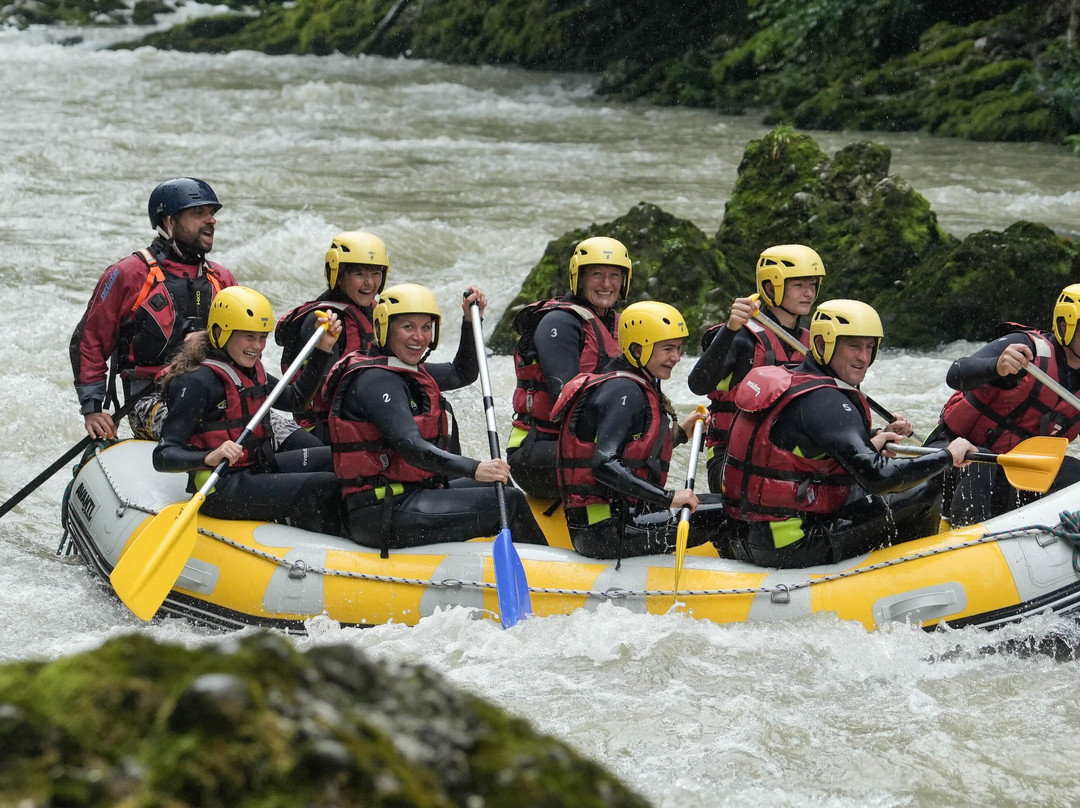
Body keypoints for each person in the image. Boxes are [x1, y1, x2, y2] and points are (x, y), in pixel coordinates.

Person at [720, 299, 975, 569]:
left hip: (743, 538)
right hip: (793, 548)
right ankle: (915, 573)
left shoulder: (787, 380)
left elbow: (805, 453)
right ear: (822, 344)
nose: (863, 357)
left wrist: (871, 443)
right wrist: (948, 455)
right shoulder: (827, 401)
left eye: (869, 347)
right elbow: (880, 477)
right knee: (925, 490)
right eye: (854, 346)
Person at [324, 283, 547, 555]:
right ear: (384, 327)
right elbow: (411, 447)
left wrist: (470, 321)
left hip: (410, 495)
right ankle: (546, 572)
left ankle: (512, 556)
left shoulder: (405, 369)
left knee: (497, 483)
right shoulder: (376, 381)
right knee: (509, 502)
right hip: (383, 512)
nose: (419, 337)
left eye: (426, 327)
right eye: (408, 327)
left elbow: (462, 373)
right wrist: (474, 467)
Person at [153, 286, 344, 534]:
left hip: (259, 468)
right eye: (249, 336)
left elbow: (296, 401)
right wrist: (208, 457)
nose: (258, 346)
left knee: (339, 458)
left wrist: (323, 348)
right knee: (326, 485)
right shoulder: (197, 381)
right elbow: (163, 455)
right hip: (222, 487)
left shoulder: (251, 370)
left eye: (262, 337)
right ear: (221, 333)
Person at [552, 301, 730, 559]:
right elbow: (604, 465)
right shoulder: (625, 391)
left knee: (724, 503)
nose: (677, 358)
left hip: (617, 520)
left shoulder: (626, 383)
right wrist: (668, 497)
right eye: (668, 349)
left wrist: (681, 433)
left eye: (679, 348)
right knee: (730, 511)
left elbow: (633, 450)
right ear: (637, 350)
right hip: (606, 530)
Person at [70, 178, 238, 441]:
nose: (211, 220)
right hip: (150, 397)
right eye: (198, 213)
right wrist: (92, 409)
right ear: (169, 222)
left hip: (215, 390)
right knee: (209, 433)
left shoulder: (221, 278)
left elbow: (246, 344)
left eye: (211, 213)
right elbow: (89, 340)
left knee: (275, 433)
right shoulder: (128, 274)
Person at [928, 283, 1080, 526]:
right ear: (1065, 326)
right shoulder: (1024, 349)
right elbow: (955, 373)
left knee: (1074, 473)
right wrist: (996, 366)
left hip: (1012, 480)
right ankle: (965, 537)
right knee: (981, 460)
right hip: (953, 461)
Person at [688, 244, 825, 493]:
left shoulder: (812, 344)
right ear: (771, 288)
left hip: (786, 455)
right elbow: (698, 384)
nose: (808, 293)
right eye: (798, 285)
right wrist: (729, 329)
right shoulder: (741, 336)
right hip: (731, 457)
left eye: (812, 284)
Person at [506, 236, 630, 500]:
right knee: (629, 458)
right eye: (597, 274)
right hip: (536, 452)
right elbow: (566, 399)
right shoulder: (560, 322)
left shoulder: (621, 325)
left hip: (579, 446)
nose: (607, 284)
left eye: (614, 275)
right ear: (579, 278)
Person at [274, 230, 387, 443]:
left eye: (375, 274)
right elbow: (329, 391)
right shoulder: (320, 321)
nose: (370, 283)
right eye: (359, 274)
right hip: (321, 429)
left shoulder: (376, 312)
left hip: (358, 419)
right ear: (339, 275)